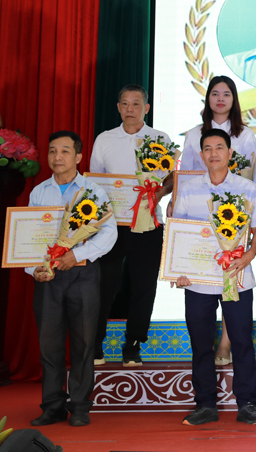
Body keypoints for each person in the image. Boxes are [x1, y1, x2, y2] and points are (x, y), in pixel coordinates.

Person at [172, 129, 256, 426]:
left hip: (236, 276)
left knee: (241, 341)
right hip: (198, 280)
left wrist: (248, 257)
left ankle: (247, 404)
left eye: (219, 148)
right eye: (207, 149)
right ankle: (205, 405)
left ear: (229, 153)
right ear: (201, 155)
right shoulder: (188, 189)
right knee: (200, 343)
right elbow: (178, 231)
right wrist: (178, 270)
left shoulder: (246, 187)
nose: (213, 153)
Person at [27, 131, 118, 427]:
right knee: (49, 344)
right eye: (53, 151)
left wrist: (77, 256)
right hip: (48, 277)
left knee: (83, 343)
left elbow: (109, 233)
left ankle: (79, 406)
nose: (57, 157)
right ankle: (52, 405)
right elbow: (28, 237)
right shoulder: (39, 192)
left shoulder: (94, 192)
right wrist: (34, 269)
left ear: (78, 157)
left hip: (83, 275)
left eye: (65, 151)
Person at [178, 76, 256, 367]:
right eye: (214, 93)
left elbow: (254, 177)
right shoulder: (194, 134)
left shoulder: (246, 134)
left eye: (226, 94)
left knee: (233, 282)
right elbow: (187, 175)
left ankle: (226, 342)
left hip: (237, 217)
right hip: (200, 215)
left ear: (234, 99)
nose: (220, 99)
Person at [90, 85, 172, 367]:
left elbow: (172, 177)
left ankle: (133, 344)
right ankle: (95, 344)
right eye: (124, 103)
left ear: (146, 108)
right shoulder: (104, 139)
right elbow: (94, 182)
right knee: (103, 285)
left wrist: (159, 193)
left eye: (136, 104)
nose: (129, 109)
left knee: (144, 285)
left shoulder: (160, 139)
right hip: (112, 225)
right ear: (118, 107)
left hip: (148, 222)